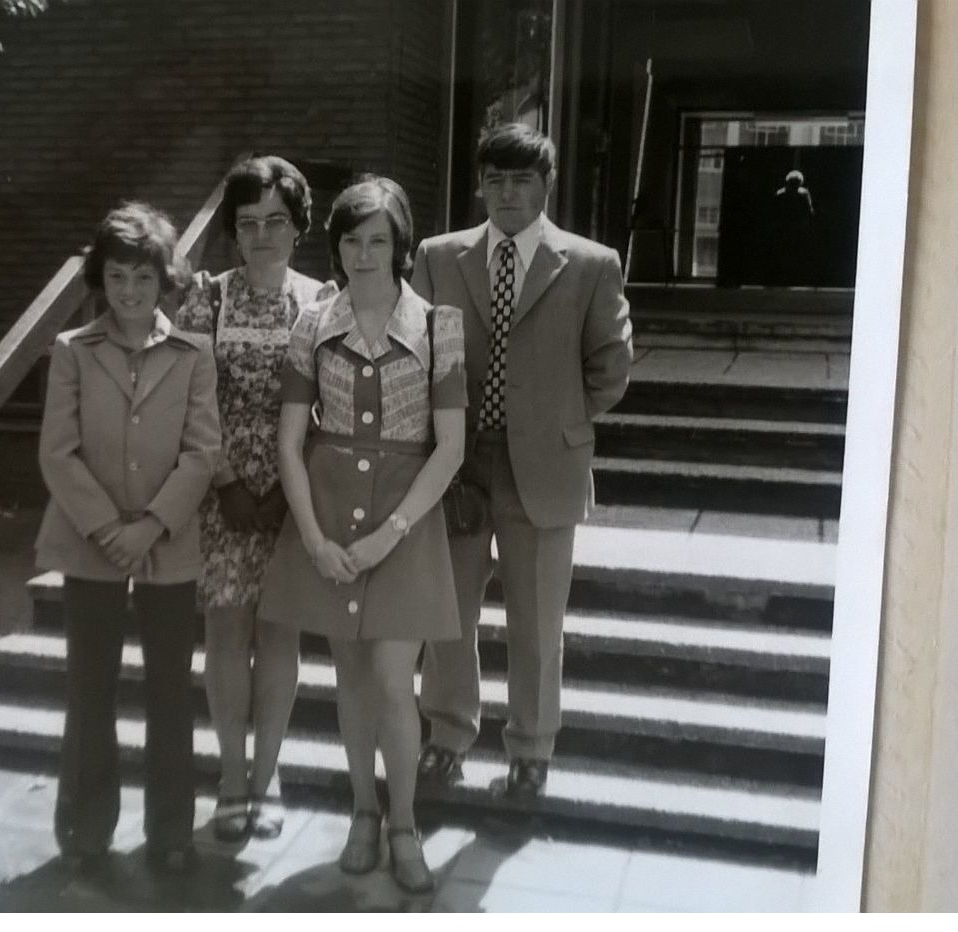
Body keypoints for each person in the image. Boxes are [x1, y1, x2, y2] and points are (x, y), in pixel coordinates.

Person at [410, 122, 633, 801]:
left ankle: (531, 749)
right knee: (446, 617)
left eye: (522, 180)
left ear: (546, 185)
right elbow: (417, 353)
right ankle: (447, 738)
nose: (507, 193)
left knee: (537, 624)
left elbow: (611, 365)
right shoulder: (439, 257)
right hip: (457, 465)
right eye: (496, 179)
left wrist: (557, 421)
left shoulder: (589, 264)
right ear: (479, 184)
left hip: (544, 467)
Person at [258, 176, 466, 893]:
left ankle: (404, 824)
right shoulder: (311, 323)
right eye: (351, 238)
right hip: (328, 507)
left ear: (401, 245)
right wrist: (313, 538)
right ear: (336, 245)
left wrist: (392, 534)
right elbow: (289, 442)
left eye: (379, 239)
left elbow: (451, 447)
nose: (364, 253)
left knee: (390, 678)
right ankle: (362, 812)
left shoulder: (440, 325)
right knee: (348, 676)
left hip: (405, 516)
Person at [34, 202, 221, 875]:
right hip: (91, 545)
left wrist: (150, 525)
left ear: (164, 279)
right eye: (117, 279)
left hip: (167, 545)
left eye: (143, 279)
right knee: (90, 688)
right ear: (100, 281)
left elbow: (202, 453)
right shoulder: (71, 352)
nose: (130, 293)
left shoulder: (193, 355)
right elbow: (58, 452)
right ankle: (85, 828)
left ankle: (170, 830)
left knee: (169, 690)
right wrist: (110, 528)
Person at [173, 156, 333, 842]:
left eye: (275, 221)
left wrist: (288, 491)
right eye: (247, 223)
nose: (262, 234)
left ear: (297, 227)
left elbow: (334, 403)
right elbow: (185, 400)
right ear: (233, 232)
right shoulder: (205, 299)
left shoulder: (323, 300)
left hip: (294, 500)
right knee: (226, 634)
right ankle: (230, 780)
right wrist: (228, 483)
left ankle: (267, 781)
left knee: (279, 639)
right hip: (222, 497)